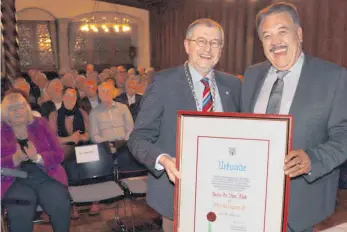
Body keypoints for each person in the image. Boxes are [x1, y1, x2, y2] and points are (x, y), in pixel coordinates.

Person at [241, 2, 347, 232]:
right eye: (267, 35)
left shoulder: (333, 77)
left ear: (299, 34)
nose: (275, 41)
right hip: (250, 197)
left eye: (282, 31)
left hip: (300, 204)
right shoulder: (251, 75)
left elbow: (344, 135)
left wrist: (312, 159)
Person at [127, 18, 241, 232]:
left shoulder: (233, 85)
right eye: (201, 41)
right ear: (187, 45)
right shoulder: (163, 82)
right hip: (178, 193)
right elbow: (138, 138)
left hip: (224, 194)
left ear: (221, 49)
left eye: (215, 43)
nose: (208, 48)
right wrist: (163, 159)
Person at [1, 91, 71, 232]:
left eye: (21, 107)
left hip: (46, 175)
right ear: (5, 112)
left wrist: (38, 157)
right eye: (12, 108)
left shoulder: (40, 123)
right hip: (14, 180)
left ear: (26, 108)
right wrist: (14, 159)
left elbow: (59, 154)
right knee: (20, 212)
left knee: (60, 204)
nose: (18, 111)